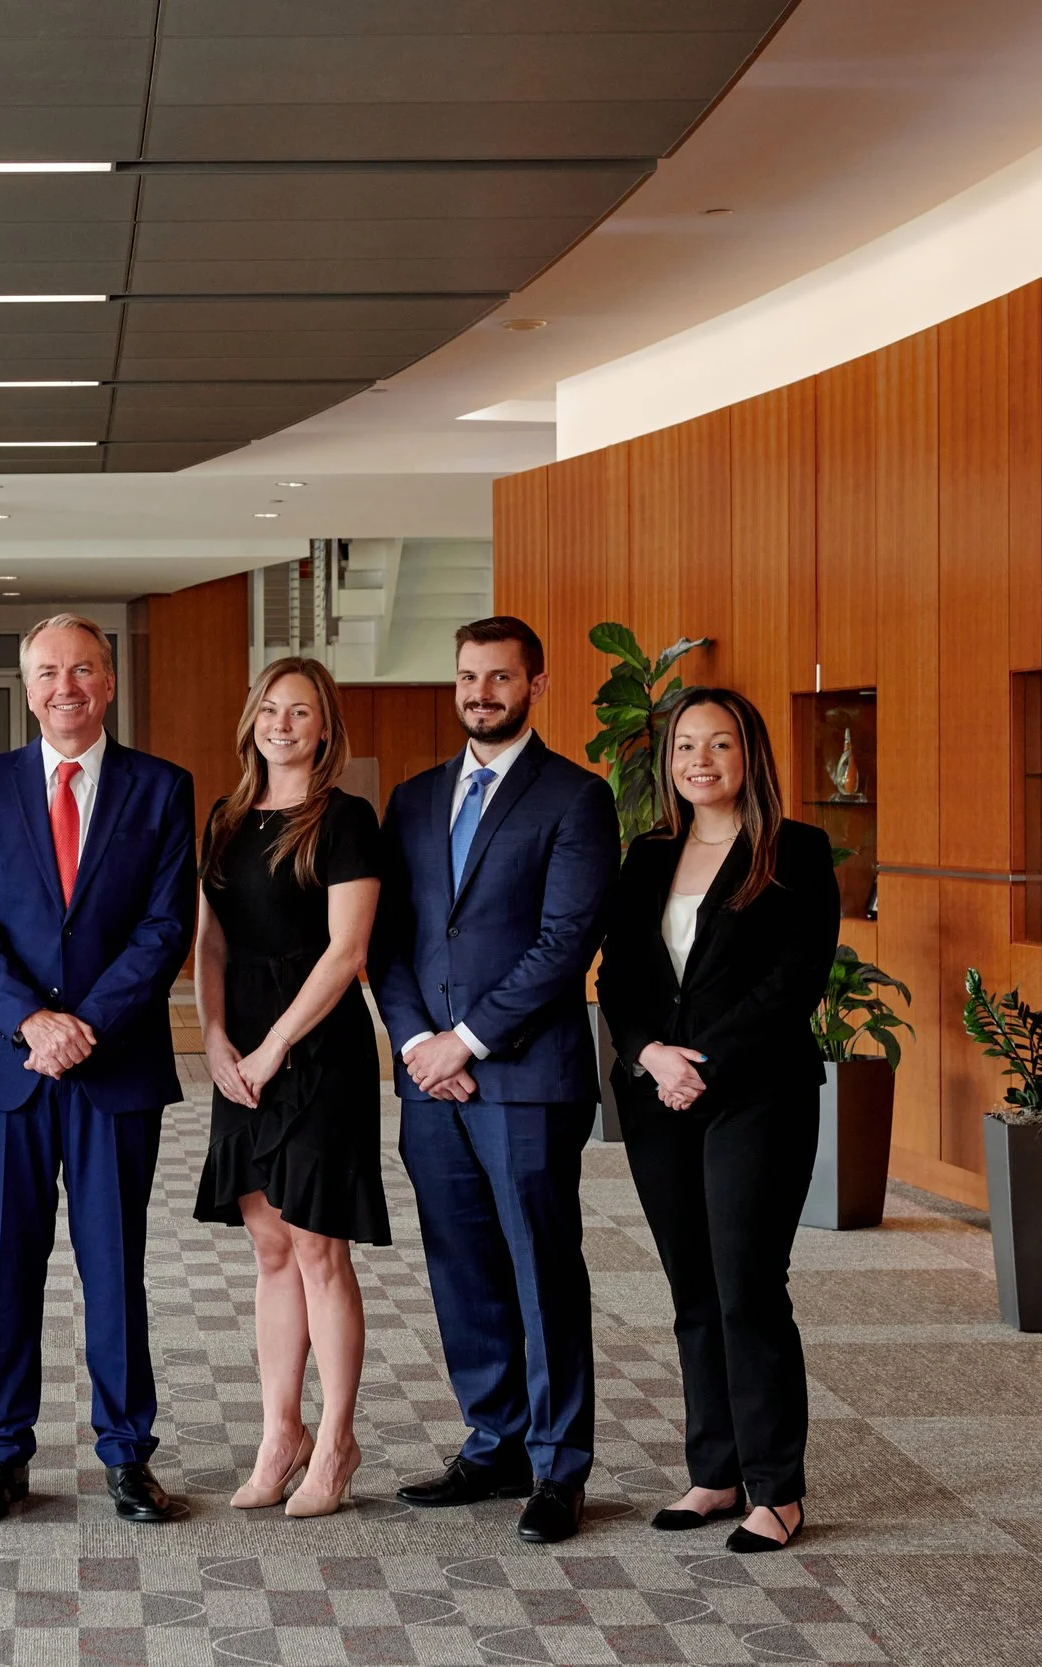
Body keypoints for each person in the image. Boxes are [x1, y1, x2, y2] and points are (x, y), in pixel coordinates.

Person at [0, 613, 197, 1524]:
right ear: (28, 686)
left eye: (83, 669)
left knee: (113, 1262)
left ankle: (127, 1455)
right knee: (7, 1260)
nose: (66, 687)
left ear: (110, 682)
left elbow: (166, 926)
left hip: (113, 1063)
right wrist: (33, 1020)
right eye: (48, 672)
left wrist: (85, 1024)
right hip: (5, 1068)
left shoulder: (162, 787)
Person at [371, 615, 618, 1545]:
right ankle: (495, 1439)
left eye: (501, 677)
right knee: (461, 1265)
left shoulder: (577, 797)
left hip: (523, 1077)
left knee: (541, 1267)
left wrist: (464, 1042)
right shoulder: (413, 798)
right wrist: (416, 1043)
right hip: (428, 1080)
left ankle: (559, 1466)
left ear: (536, 685)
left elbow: (566, 942)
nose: (481, 693)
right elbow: (389, 940)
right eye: (469, 676)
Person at [597, 688, 837, 1553]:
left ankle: (777, 1488)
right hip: (657, 1091)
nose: (700, 760)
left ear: (750, 754)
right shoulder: (648, 853)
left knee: (747, 1283)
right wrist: (649, 1054)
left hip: (757, 1092)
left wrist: (703, 1064)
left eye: (720, 743)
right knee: (692, 1287)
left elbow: (794, 980)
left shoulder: (794, 850)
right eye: (685, 745)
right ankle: (715, 1471)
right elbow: (618, 973)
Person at [192, 656, 386, 1518]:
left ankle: (337, 1439)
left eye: (300, 711)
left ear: (325, 726)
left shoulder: (344, 818)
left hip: (317, 1048)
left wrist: (275, 1045)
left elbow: (348, 951)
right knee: (268, 1245)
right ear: (251, 720)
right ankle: (281, 1433)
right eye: (270, 708)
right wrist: (212, 1035)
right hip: (239, 1048)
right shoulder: (225, 818)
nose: (282, 724)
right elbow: (210, 942)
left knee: (317, 1246)